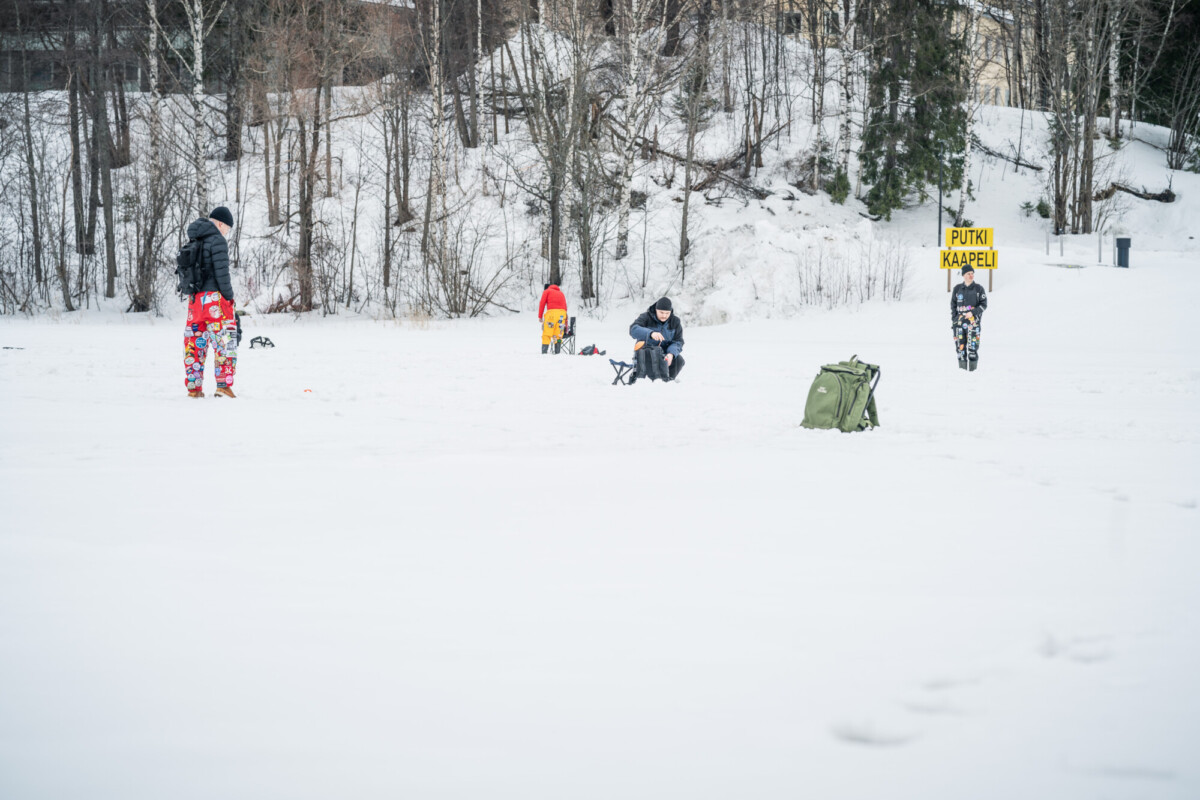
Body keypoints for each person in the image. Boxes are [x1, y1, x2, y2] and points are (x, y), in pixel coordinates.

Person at [183, 206, 238, 397]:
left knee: (194, 343)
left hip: (194, 301)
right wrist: (230, 298)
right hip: (214, 299)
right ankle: (223, 386)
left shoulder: (194, 238)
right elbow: (222, 275)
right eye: (227, 228)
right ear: (221, 223)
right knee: (224, 341)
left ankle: (194, 388)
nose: (226, 232)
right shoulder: (218, 241)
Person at [629, 297, 685, 381]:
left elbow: (678, 341)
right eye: (661, 312)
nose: (664, 315)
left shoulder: (675, 321)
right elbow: (633, 329)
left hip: (664, 354)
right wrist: (650, 333)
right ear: (656, 310)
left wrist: (671, 354)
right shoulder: (645, 317)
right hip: (646, 353)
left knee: (679, 360)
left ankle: (667, 382)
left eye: (667, 313)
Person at [951, 265, 987, 371]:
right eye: (969, 274)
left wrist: (973, 312)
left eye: (972, 273)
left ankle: (972, 376)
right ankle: (962, 376)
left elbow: (984, 304)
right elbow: (953, 305)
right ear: (964, 275)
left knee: (972, 350)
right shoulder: (957, 289)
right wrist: (954, 319)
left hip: (973, 325)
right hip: (959, 325)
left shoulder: (979, 289)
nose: (971, 275)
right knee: (960, 351)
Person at [538, 282, 568, 354]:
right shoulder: (561, 293)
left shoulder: (547, 291)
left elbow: (542, 303)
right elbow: (565, 307)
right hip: (562, 315)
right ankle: (557, 352)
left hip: (552, 315)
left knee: (547, 332)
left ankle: (544, 352)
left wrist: (540, 316)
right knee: (559, 334)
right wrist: (565, 320)